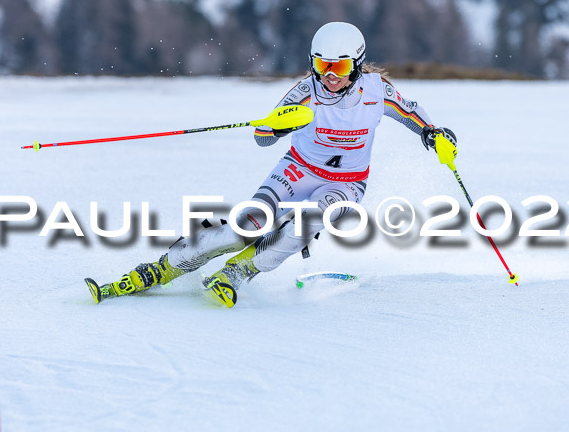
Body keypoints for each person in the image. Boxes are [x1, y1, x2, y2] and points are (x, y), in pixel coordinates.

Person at [85, 21, 457, 307]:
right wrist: (278, 126)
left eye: (339, 67)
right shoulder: (304, 92)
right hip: (297, 171)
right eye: (322, 65)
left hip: (345, 185)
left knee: (303, 225)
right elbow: (261, 136)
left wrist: (435, 135)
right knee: (246, 227)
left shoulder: (376, 92)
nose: (329, 76)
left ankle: (238, 272)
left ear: (357, 66)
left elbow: (413, 116)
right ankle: (164, 267)